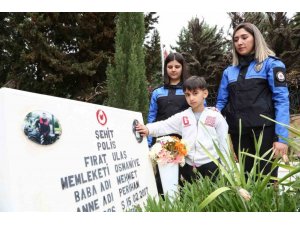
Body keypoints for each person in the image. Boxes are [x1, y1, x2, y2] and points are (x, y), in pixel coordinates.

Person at [216, 22, 290, 180]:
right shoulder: (229, 72)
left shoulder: (272, 64)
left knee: (267, 181)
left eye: (244, 37)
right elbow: (220, 103)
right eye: (236, 40)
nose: (239, 43)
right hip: (239, 134)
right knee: (247, 179)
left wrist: (282, 138)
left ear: (255, 38)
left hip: (265, 133)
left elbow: (281, 101)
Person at [137, 76, 230, 184]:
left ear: (205, 93)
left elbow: (224, 145)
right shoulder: (183, 116)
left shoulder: (216, 117)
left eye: (195, 93)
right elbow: (165, 125)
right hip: (188, 167)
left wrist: (226, 170)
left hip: (211, 165)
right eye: (187, 95)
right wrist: (148, 129)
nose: (191, 98)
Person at [147, 52, 190, 195]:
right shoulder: (157, 92)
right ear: (165, 68)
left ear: (183, 68)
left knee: (186, 178)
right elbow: (151, 118)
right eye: (170, 66)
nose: (173, 69)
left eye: (177, 66)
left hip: (184, 142)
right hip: (161, 144)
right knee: (162, 179)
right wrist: (148, 143)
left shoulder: (189, 91)